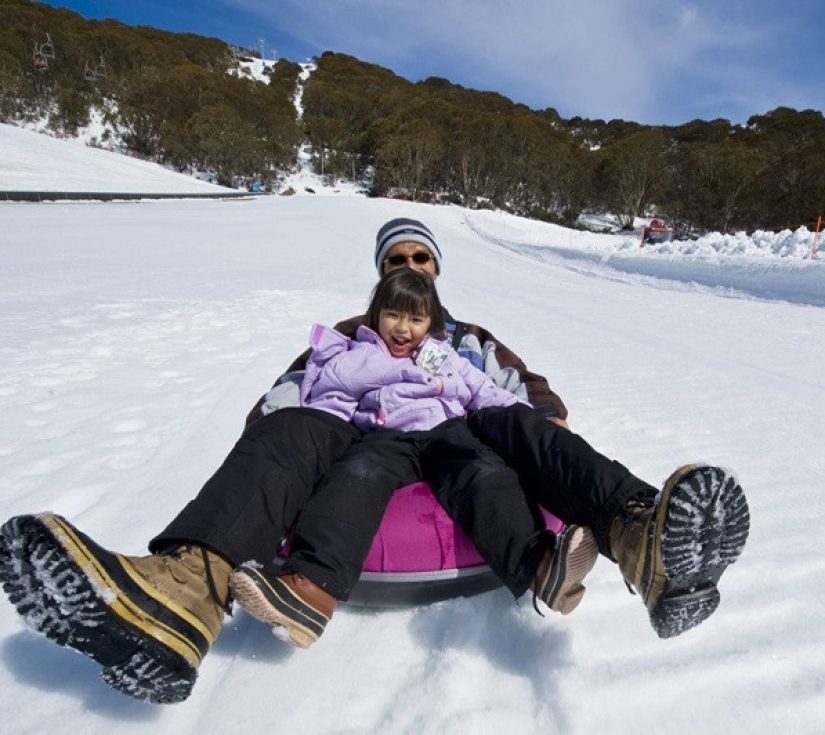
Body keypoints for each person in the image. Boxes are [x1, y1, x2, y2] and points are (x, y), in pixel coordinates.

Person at [0, 217, 749, 706]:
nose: (410, 268)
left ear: (437, 269)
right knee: (294, 429)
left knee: (513, 425)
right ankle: (183, 595)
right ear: (380, 276)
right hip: (368, 439)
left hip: (460, 435)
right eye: (397, 261)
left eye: (421, 258)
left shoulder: (467, 339)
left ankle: (638, 535)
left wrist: (534, 425)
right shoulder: (349, 337)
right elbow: (287, 392)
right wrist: (287, 421)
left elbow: (524, 391)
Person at [228, 268, 599, 647]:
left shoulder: (447, 352)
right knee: (355, 476)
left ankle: (542, 567)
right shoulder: (359, 349)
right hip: (382, 435)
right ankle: (311, 589)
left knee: (484, 473)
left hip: (447, 430)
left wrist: (537, 424)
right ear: (376, 315)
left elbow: (489, 389)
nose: (403, 328)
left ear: (430, 322)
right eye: (393, 315)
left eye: (416, 319)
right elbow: (325, 391)